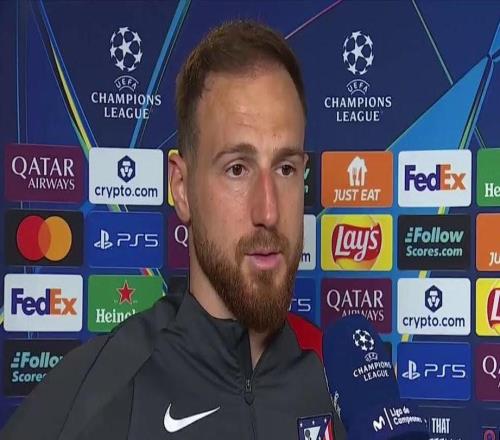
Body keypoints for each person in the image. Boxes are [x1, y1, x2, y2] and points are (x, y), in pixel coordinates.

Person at [1, 20, 345, 440]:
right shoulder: (102, 387)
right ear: (181, 188)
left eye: (285, 168)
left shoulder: (344, 382)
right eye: (237, 169)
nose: (268, 211)